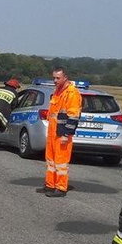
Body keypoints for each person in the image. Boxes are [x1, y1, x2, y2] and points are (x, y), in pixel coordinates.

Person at [37, 67, 82, 198]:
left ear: (65, 78)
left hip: (62, 133)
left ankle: (61, 188)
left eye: (58, 78)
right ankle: (50, 185)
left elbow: (73, 116)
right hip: (53, 132)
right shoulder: (58, 90)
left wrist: (66, 134)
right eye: (54, 78)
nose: (55, 80)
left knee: (61, 162)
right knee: (51, 161)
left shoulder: (71, 93)